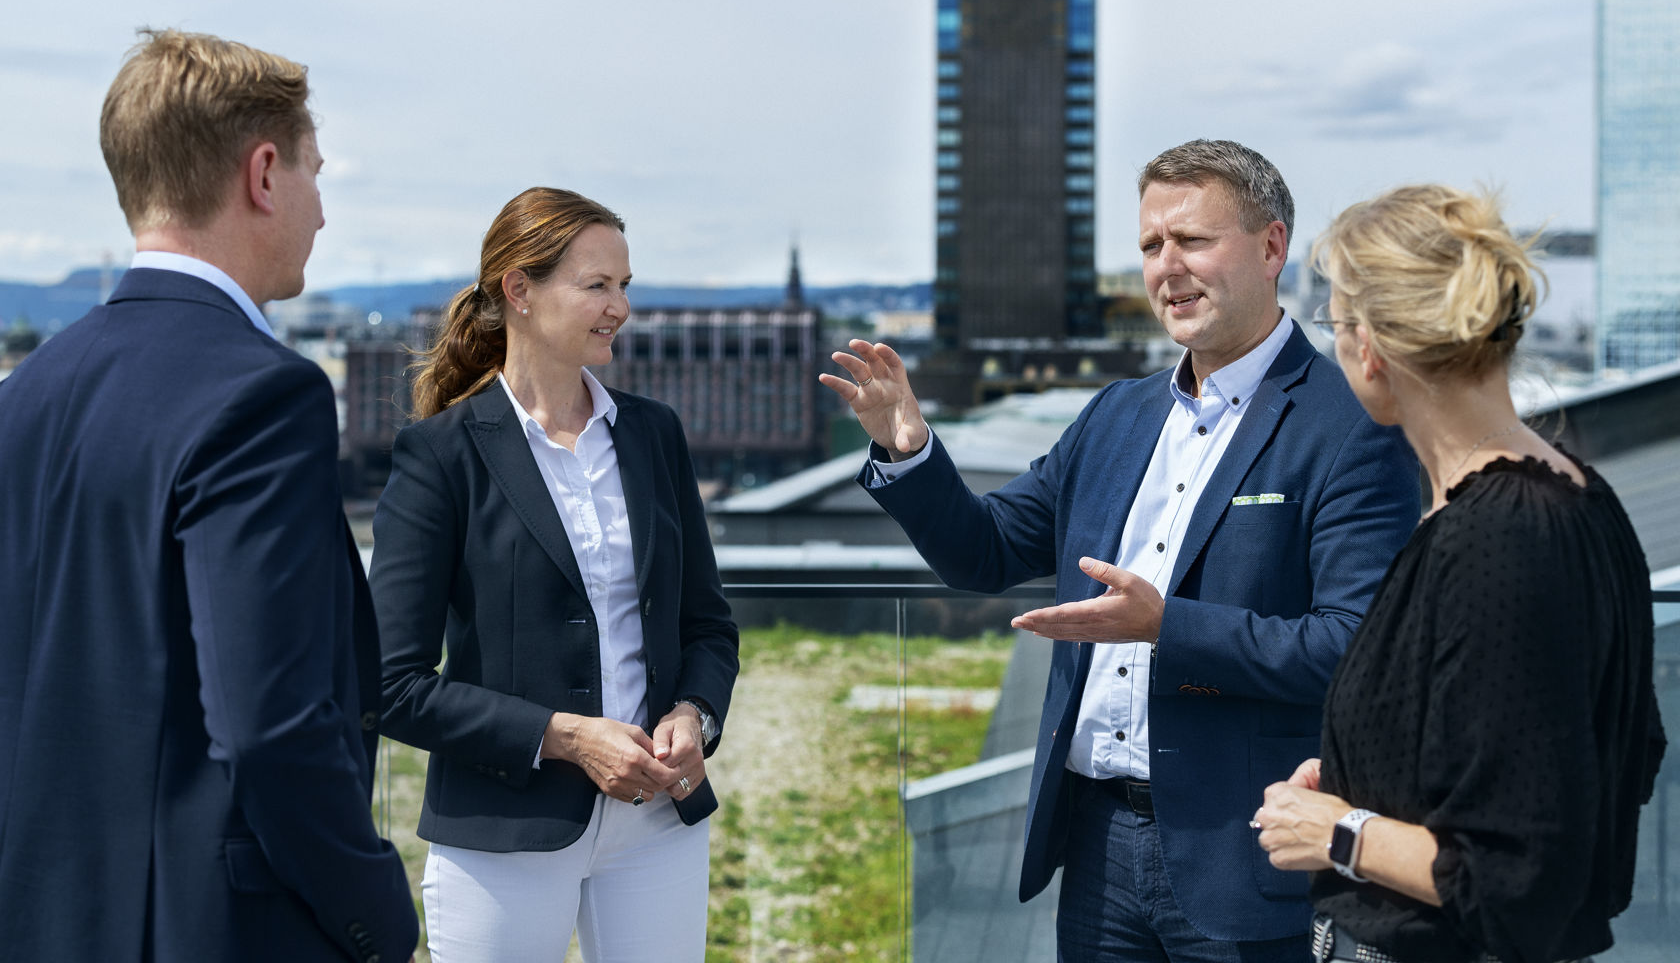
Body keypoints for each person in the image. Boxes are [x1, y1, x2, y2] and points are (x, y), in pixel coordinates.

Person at [821, 139, 1419, 961]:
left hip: (1247, 852)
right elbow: (988, 553)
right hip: (1097, 843)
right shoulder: (1117, 416)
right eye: (1149, 246)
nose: (1167, 268)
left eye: (1194, 241)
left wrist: (1166, 627)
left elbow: (1354, 649)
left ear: (1273, 247)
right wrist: (911, 453)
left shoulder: (1350, 425)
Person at [0, 30, 418, 961]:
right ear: (264, 174)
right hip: (212, 930)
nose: (320, 211)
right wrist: (375, 910)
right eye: (317, 172)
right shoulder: (263, 393)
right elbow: (272, 725)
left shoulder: (24, 393)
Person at [1253, 184, 1666, 963]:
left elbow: (1516, 872)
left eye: (1337, 324)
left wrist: (1340, 833)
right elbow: (1602, 753)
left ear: (1371, 346)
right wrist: (1367, 779)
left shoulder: (1497, 538)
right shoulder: (1575, 496)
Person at [371, 186, 739, 962]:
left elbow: (707, 623)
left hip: (656, 824)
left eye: (625, 285)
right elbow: (389, 683)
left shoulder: (652, 435)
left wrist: (695, 714)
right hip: (502, 834)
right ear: (520, 290)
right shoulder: (442, 455)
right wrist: (566, 738)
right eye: (597, 285)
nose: (620, 307)